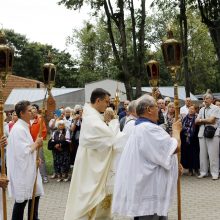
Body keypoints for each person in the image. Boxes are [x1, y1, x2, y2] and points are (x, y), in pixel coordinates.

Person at [112, 94, 182, 220]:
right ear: (149, 109)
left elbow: (158, 154)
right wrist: (176, 131)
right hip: (149, 189)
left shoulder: (141, 127)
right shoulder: (148, 129)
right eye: (156, 107)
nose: (159, 110)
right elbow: (175, 147)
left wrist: (176, 165)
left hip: (148, 188)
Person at [64, 88, 125, 220]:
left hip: (91, 162)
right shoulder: (92, 119)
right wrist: (114, 122)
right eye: (106, 102)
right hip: (90, 167)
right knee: (88, 200)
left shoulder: (93, 116)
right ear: (98, 100)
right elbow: (111, 139)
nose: (108, 105)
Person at [7, 100, 44, 220]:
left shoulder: (25, 127)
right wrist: (36, 144)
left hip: (30, 170)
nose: (32, 111)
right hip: (22, 173)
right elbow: (22, 151)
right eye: (29, 110)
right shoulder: (18, 129)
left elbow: (27, 149)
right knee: (21, 202)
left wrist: (36, 158)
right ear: (22, 113)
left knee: (34, 197)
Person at [195, 93, 220, 180]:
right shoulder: (201, 109)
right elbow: (196, 121)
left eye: (207, 98)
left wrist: (201, 120)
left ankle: (215, 173)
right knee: (202, 155)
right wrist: (204, 120)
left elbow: (212, 120)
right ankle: (203, 172)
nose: (205, 100)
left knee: (213, 155)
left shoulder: (216, 108)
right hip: (202, 133)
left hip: (213, 134)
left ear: (212, 100)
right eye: (204, 98)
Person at [30, 104, 48, 184]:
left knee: (41, 159)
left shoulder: (40, 120)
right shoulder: (27, 121)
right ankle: (34, 177)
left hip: (38, 143)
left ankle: (44, 176)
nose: (33, 114)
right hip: (29, 144)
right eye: (31, 112)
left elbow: (43, 131)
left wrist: (37, 140)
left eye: (34, 112)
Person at [180, 105, 200, 176]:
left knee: (195, 154)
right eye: (190, 109)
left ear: (195, 110)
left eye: (192, 109)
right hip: (186, 138)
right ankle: (190, 170)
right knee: (188, 154)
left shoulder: (197, 117)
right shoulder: (185, 118)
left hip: (194, 139)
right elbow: (182, 126)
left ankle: (196, 169)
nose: (191, 110)